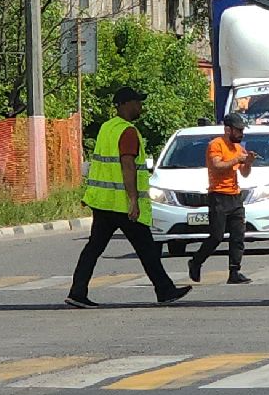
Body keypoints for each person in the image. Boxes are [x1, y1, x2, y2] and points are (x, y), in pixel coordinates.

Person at [69, 85, 189, 308]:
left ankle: (77, 292)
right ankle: (165, 290)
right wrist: (133, 200)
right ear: (124, 105)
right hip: (122, 205)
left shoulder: (107, 127)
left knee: (95, 248)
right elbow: (127, 165)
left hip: (104, 202)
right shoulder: (127, 131)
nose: (139, 106)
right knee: (146, 248)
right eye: (136, 102)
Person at [190, 112, 258, 285]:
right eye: (238, 130)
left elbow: (244, 173)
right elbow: (217, 165)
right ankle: (196, 261)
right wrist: (237, 159)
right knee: (216, 236)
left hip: (235, 196)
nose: (241, 134)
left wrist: (248, 162)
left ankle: (234, 271)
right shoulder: (216, 145)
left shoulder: (239, 148)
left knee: (238, 236)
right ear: (228, 129)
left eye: (242, 131)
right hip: (218, 196)